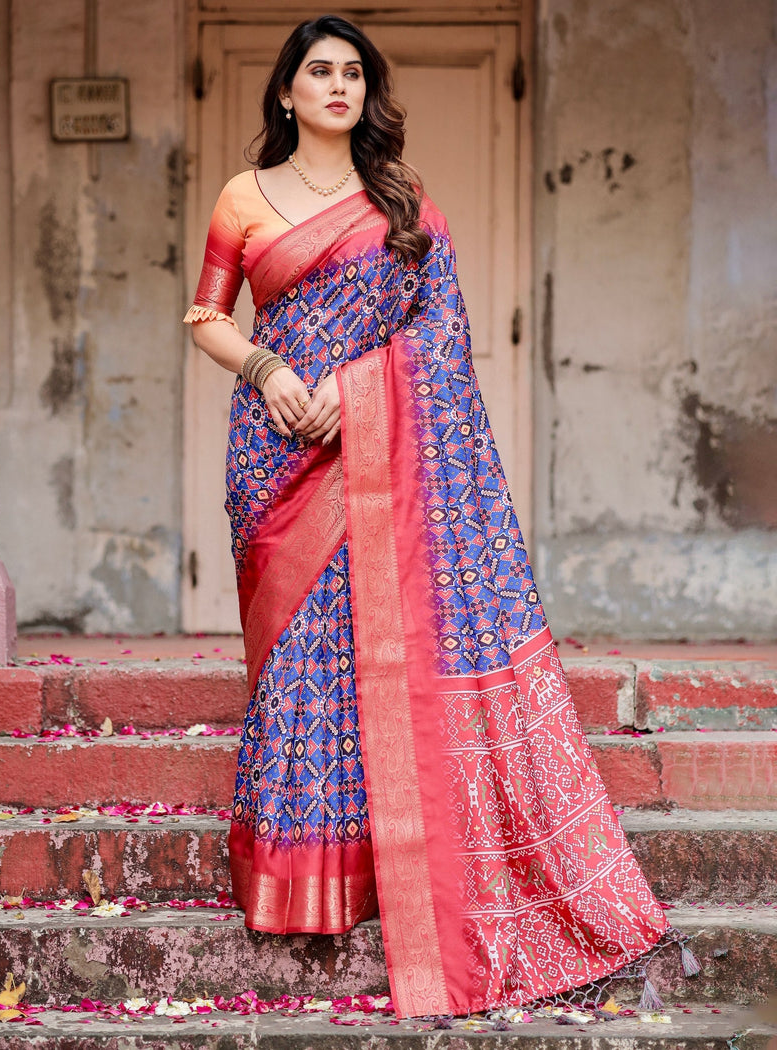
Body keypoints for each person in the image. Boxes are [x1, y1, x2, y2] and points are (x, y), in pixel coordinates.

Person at [184, 14, 675, 1020]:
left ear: (367, 92)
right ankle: (299, 883)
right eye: (318, 71)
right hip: (276, 450)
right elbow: (206, 315)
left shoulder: (404, 200)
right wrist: (273, 371)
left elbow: (440, 334)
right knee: (300, 663)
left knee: (378, 649)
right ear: (285, 92)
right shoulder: (246, 196)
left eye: (352, 72)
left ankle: (380, 872)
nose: (336, 85)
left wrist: (357, 391)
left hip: (378, 448)